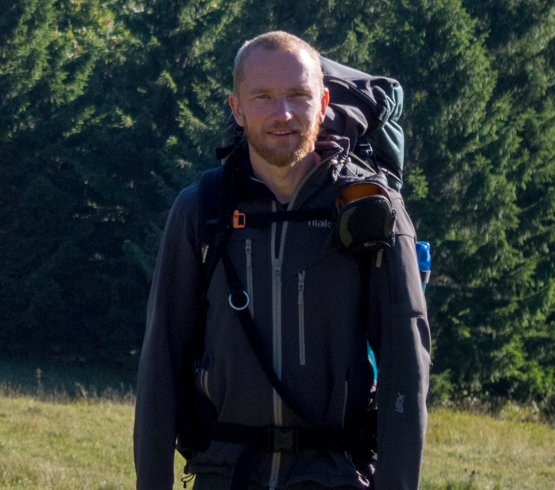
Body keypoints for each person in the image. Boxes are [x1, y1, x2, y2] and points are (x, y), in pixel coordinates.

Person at [134, 31, 430, 490]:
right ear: (237, 108)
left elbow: (405, 373)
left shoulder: (369, 210)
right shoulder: (202, 210)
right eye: (264, 97)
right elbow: (161, 365)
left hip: (335, 476)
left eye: (298, 95)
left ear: (324, 101)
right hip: (226, 475)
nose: (284, 114)